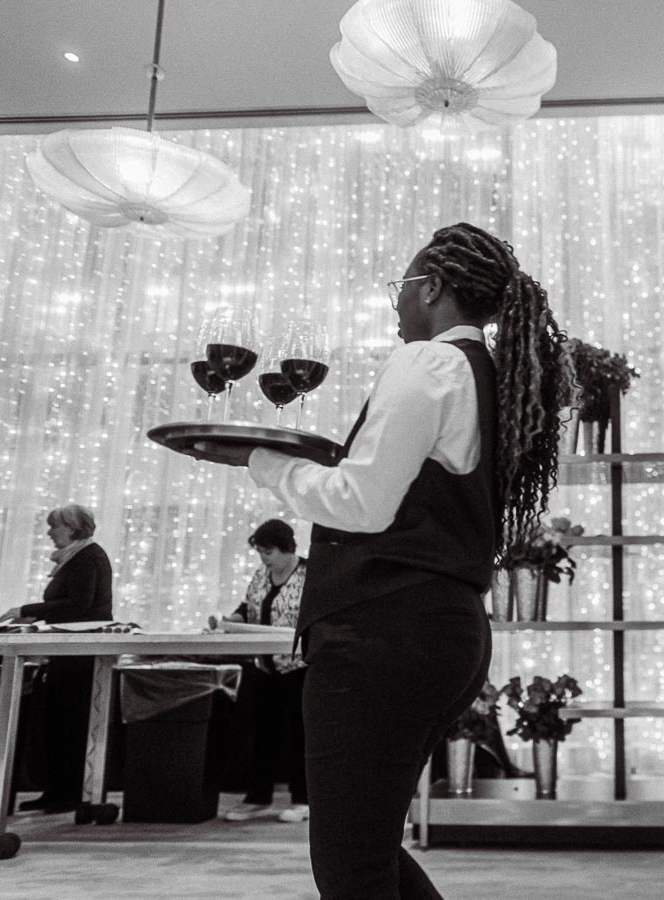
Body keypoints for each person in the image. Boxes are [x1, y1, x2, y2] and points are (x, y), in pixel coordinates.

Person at [185, 222, 572, 898]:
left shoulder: (428, 363)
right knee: (369, 852)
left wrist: (262, 461)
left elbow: (362, 503)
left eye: (403, 286)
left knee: (351, 866)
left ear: (434, 287)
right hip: (441, 633)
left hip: (384, 638)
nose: (397, 304)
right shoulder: (481, 375)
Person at [0, 504, 113, 813]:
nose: (49, 532)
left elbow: (78, 605)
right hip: (70, 650)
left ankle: (66, 792)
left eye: (54, 527)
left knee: (68, 721)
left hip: (78, 652)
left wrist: (25, 610)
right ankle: (58, 790)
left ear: (72, 529)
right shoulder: (80, 556)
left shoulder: (87, 558)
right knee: (58, 721)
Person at [220, 518, 310, 824]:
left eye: (268, 551)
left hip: (298, 667)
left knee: (300, 736)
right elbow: (249, 606)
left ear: (286, 547)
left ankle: (303, 799)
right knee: (262, 735)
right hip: (264, 666)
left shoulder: (308, 574)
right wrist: (232, 618)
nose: (264, 558)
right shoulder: (261, 575)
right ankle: (258, 797)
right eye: (260, 552)